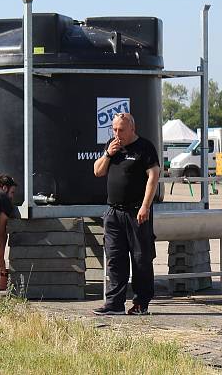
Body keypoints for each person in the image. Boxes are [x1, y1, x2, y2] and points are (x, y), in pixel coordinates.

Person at [92, 112, 159, 316]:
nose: (117, 133)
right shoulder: (112, 146)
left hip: (136, 212)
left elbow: (154, 175)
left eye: (121, 129)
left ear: (132, 128)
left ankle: (141, 303)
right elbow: (97, 171)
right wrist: (108, 154)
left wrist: (145, 205)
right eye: (114, 129)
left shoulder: (144, 147)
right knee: (115, 258)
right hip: (113, 212)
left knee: (141, 259)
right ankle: (114, 303)